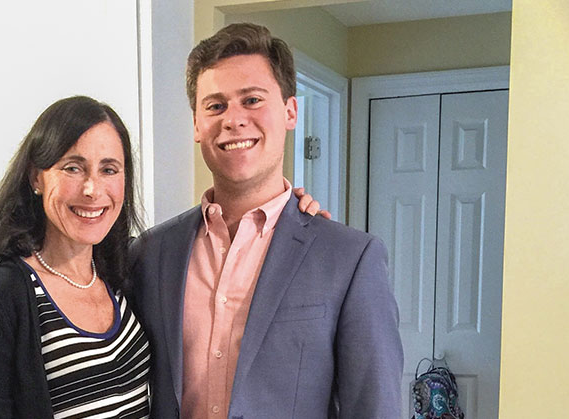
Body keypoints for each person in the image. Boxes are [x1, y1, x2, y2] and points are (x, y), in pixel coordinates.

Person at [131, 23, 404, 418]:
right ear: (195, 123)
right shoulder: (150, 255)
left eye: (252, 100)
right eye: (215, 105)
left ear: (291, 111)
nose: (234, 119)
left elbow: (374, 408)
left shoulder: (349, 259)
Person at [0, 96, 151, 418]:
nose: (92, 189)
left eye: (109, 169)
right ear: (36, 178)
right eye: (73, 168)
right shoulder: (1, 294)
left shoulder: (120, 271)